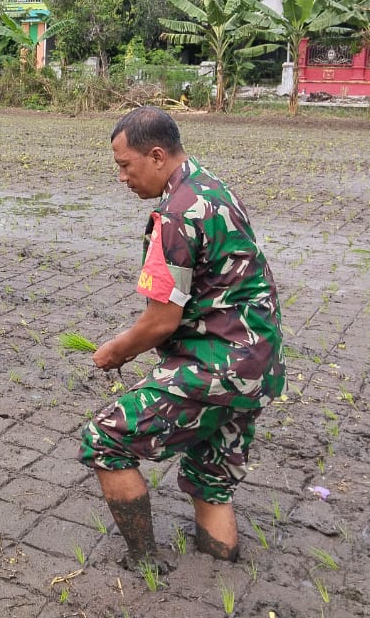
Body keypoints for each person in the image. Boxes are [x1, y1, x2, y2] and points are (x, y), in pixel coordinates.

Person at [79, 106, 284, 568]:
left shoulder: (174, 215)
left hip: (217, 365)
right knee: (210, 473)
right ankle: (219, 566)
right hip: (259, 365)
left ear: (155, 155)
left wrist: (115, 352)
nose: (122, 177)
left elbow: (160, 321)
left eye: (124, 165)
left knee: (104, 439)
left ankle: (144, 562)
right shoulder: (211, 186)